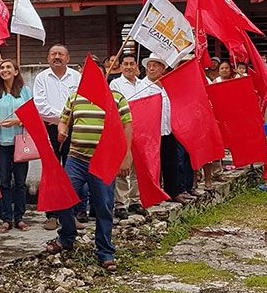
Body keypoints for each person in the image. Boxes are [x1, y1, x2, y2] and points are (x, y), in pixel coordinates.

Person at [47, 77, 132, 273]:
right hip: (76, 159)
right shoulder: (75, 97)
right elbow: (63, 120)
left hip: (104, 160)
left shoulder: (116, 98)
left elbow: (127, 126)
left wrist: (125, 156)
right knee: (63, 198)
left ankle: (105, 251)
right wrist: (62, 130)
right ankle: (67, 237)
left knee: (103, 205)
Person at [33, 44, 81, 229]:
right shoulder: (41, 78)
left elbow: (81, 100)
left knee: (72, 172)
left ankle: (72, 214)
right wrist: (63, 119)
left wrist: (67, 121)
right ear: (48, 58)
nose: (57, 57)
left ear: (68, 58)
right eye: (53, 54)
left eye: (61, 54)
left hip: (74, 129)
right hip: (50, 129)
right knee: (52, 171)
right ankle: (51, 215)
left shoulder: (77, 77)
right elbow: (40, 106)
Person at [134, 54, 189, 204]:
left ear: (162, 69)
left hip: (167, 129)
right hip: (151, 132)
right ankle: (155, 194)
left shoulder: (167, 85)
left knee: (171, 162)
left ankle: (173, 192)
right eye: (149, 66)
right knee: (153, 164)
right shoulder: (141, 87)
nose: (151, 68)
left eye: (155, 66)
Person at [0, 59, 32, 233]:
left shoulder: (25, 91)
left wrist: (18, 120)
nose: (5, 70)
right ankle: (6, 218)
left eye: (9, 67)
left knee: (20, 182)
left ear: (16, 71)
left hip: (20, 141)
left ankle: (20, 217)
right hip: (1, 142)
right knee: (4, 181)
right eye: (2, 67)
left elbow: (33, 116)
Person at [109, 53, 146, 218]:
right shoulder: (115, 84)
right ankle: (120, 204)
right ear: (121, 66)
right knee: (123, 168)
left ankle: (135, 201)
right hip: (123, 130)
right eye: (126, 64)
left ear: (137, 67)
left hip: (142, 131)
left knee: (138, 169)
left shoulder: (143, 84)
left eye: (132, 64)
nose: (129, 67)